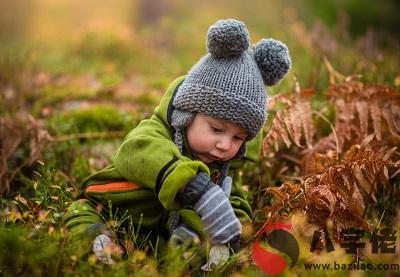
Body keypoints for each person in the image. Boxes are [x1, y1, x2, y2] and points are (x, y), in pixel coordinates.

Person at [64, 18, 291, 267]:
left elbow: (234, 199)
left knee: (197, 247)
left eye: (238, 137)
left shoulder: (223, 166)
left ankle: (182, 254)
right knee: (82, 215)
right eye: (216, 129)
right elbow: (138, 151)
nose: (225, 145)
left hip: (154, 235)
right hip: (108, 208)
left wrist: (232, 230)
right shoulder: (154, 133)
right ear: (187, 115)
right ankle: (97, 243)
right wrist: (194, 185)